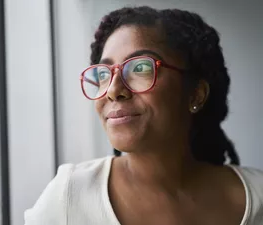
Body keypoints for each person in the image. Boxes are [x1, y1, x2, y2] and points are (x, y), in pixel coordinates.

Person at [24, 6, 263, 225]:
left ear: (196, 95)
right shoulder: (69, 197)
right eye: (104, 74)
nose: (114, 90)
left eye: (140, 68)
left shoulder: (258, 196)